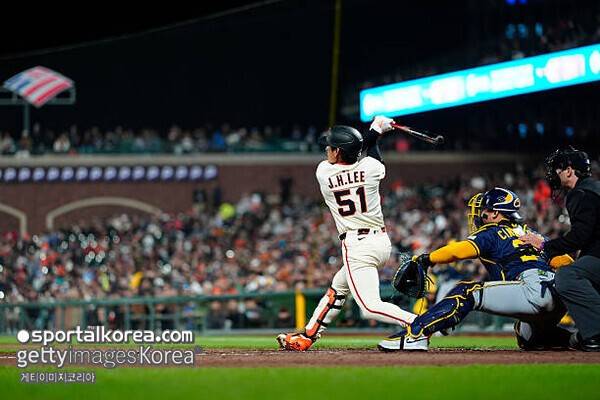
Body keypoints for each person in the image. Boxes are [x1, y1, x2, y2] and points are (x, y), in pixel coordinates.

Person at [277, 116, 416, 351]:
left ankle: (422, 323)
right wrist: (376, 131)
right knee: (338, 288)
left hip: (358, 246)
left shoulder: (324, 173)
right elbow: (369, 153)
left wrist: (375, 130)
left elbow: (362, 150)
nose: (327, 150)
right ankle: (308, 335)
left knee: (369, 306)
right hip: (381, 242)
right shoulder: (371, 169)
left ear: (338, 152)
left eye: (330, 147)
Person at [378, 187, 574, 352]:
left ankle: (415, 335)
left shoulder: (492, 231)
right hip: (557, 294)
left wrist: (427, 258)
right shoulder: (535, 236)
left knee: (467, 291)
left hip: (532, 290)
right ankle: (575, 339)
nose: (481, 215)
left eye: (485, 210)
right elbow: (567, 262)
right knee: (527, 336)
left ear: (495, 213)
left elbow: (458, 251)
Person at [521, 147, 600, 351]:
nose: (554, 174)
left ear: (569, 171)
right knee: (584, 272)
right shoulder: (594, 188)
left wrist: (545, 245)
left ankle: (596, 334)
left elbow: (580, 237)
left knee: (567, 276)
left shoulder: (581, 193)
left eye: (558, 169)